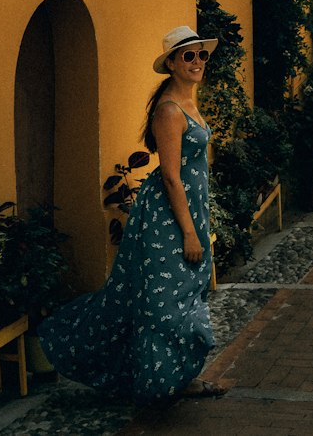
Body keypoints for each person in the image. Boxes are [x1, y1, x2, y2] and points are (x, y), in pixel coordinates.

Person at [39, 25, 223, 403]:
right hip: (167, 220)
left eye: (201, 54)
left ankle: (178, 379)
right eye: (188, 55)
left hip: (189, 215)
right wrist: (189, 233)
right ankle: (142, 377)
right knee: (162, 305)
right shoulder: (169, 111)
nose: (197, 61)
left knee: (185, 294)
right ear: (171, 63)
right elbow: (171, 178)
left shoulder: (188, 102)